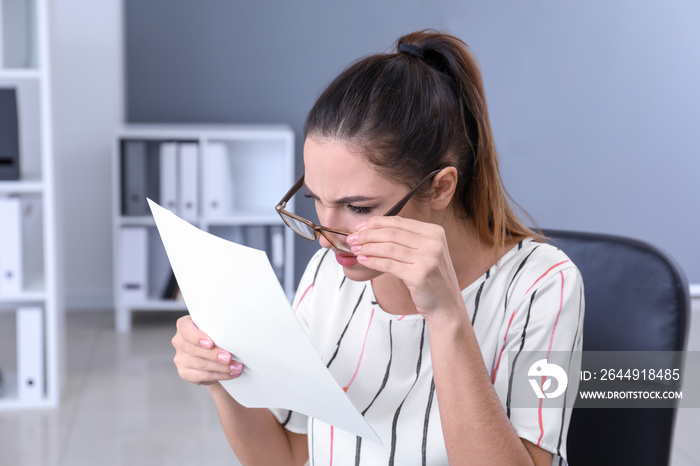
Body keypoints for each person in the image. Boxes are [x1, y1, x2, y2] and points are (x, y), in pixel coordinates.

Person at [171, 29, 584, 465]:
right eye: (316, 201)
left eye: (358, 207)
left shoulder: (543, 285)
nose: (326, 235)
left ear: (441, 188)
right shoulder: (326, 276)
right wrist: (222, 378)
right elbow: (289, 457)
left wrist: (446, 317)